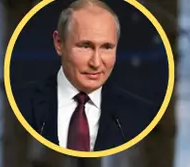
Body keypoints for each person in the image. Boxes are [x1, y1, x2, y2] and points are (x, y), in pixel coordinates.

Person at [14, 0, 157, 151]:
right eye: (85, 46)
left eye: (107, 47)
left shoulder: (140, 115)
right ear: (59, 43)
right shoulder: (21, 104)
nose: (95, 63)